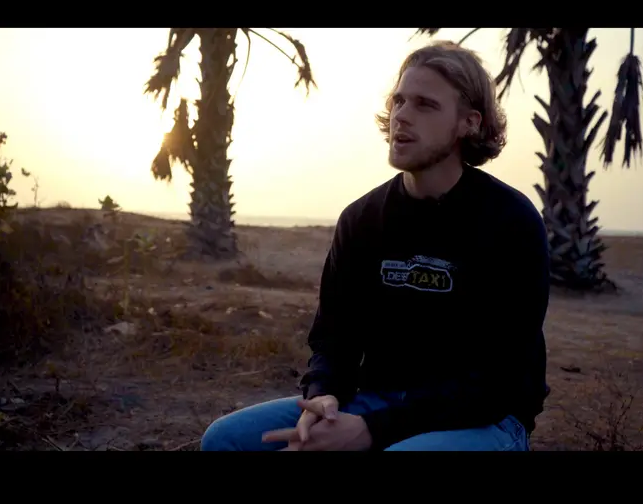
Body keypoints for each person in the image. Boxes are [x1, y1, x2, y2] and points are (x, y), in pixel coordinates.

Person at [200, 40, 550, 451]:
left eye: (425, 104)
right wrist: (323, 396)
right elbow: (334, 337)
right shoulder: (362, 218)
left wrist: (373, 431)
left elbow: (502, 381)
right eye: (399, 101)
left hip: (484, 419)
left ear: (468, 123)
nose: (401, 115)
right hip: (373, 400)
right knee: (224, 440)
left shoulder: (511, 221)